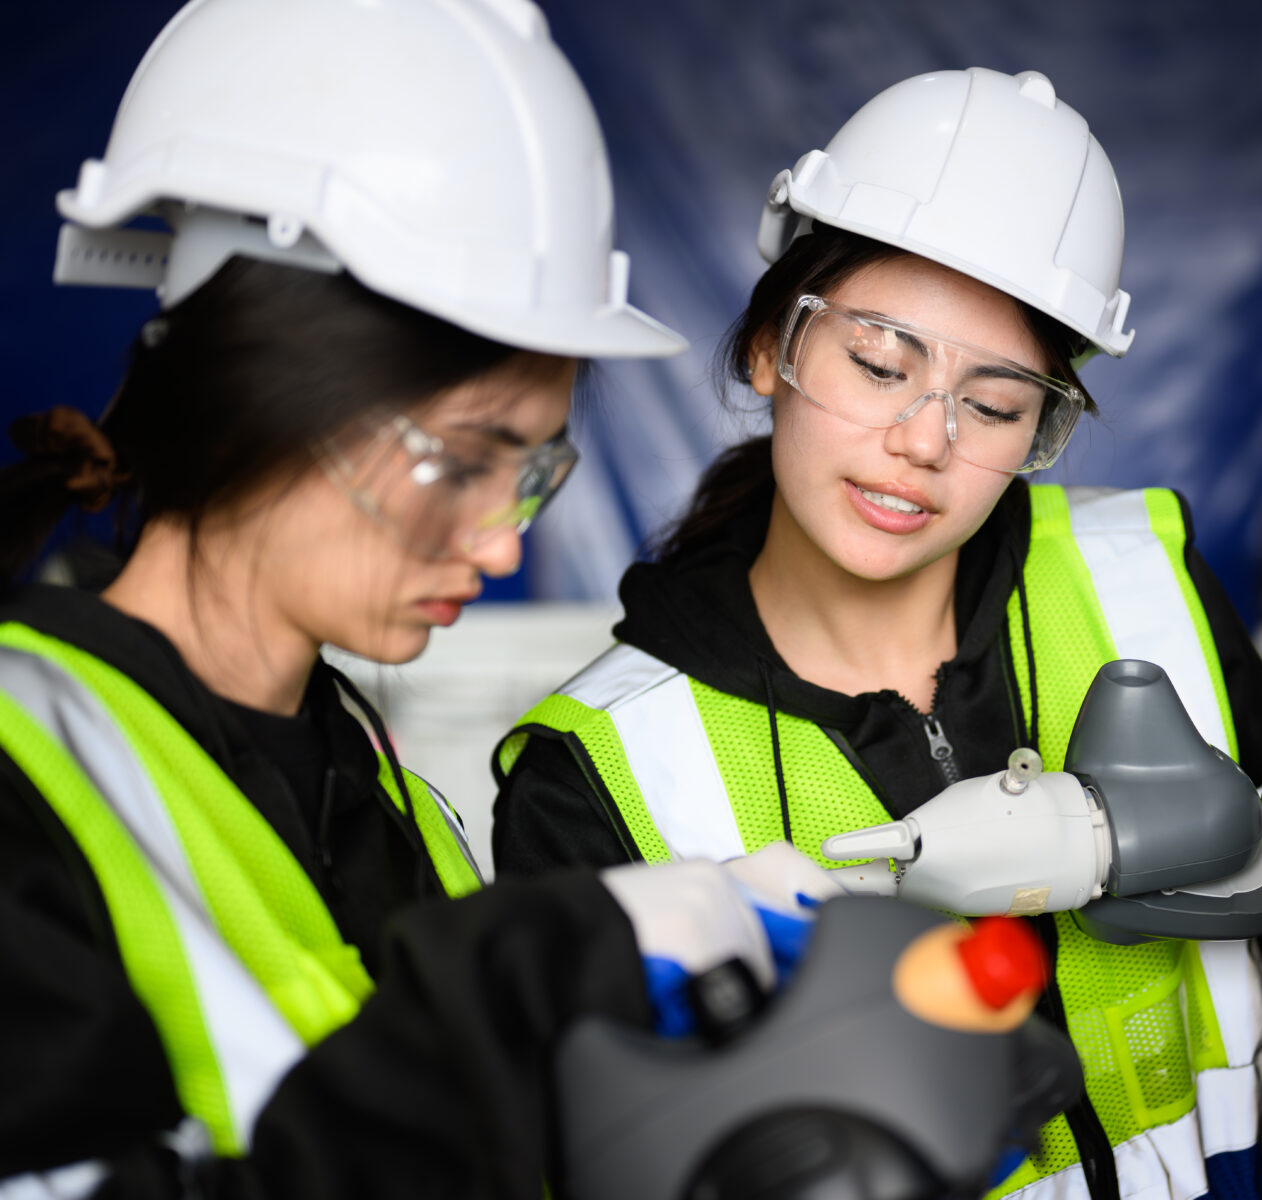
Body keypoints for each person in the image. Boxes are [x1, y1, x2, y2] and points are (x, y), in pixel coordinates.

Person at [0, 1, 831, 1197]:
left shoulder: (397, 806)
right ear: (261, 386)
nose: (497, 549)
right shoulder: (25, 769)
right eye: (459, 463)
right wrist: (515, 984)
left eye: (533, 474)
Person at [494, 68, 1262, 1199]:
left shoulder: (1144, 582)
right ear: (770, 347)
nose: (925, 441)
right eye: (880, 366)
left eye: (996, 404)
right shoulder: (598, 772)